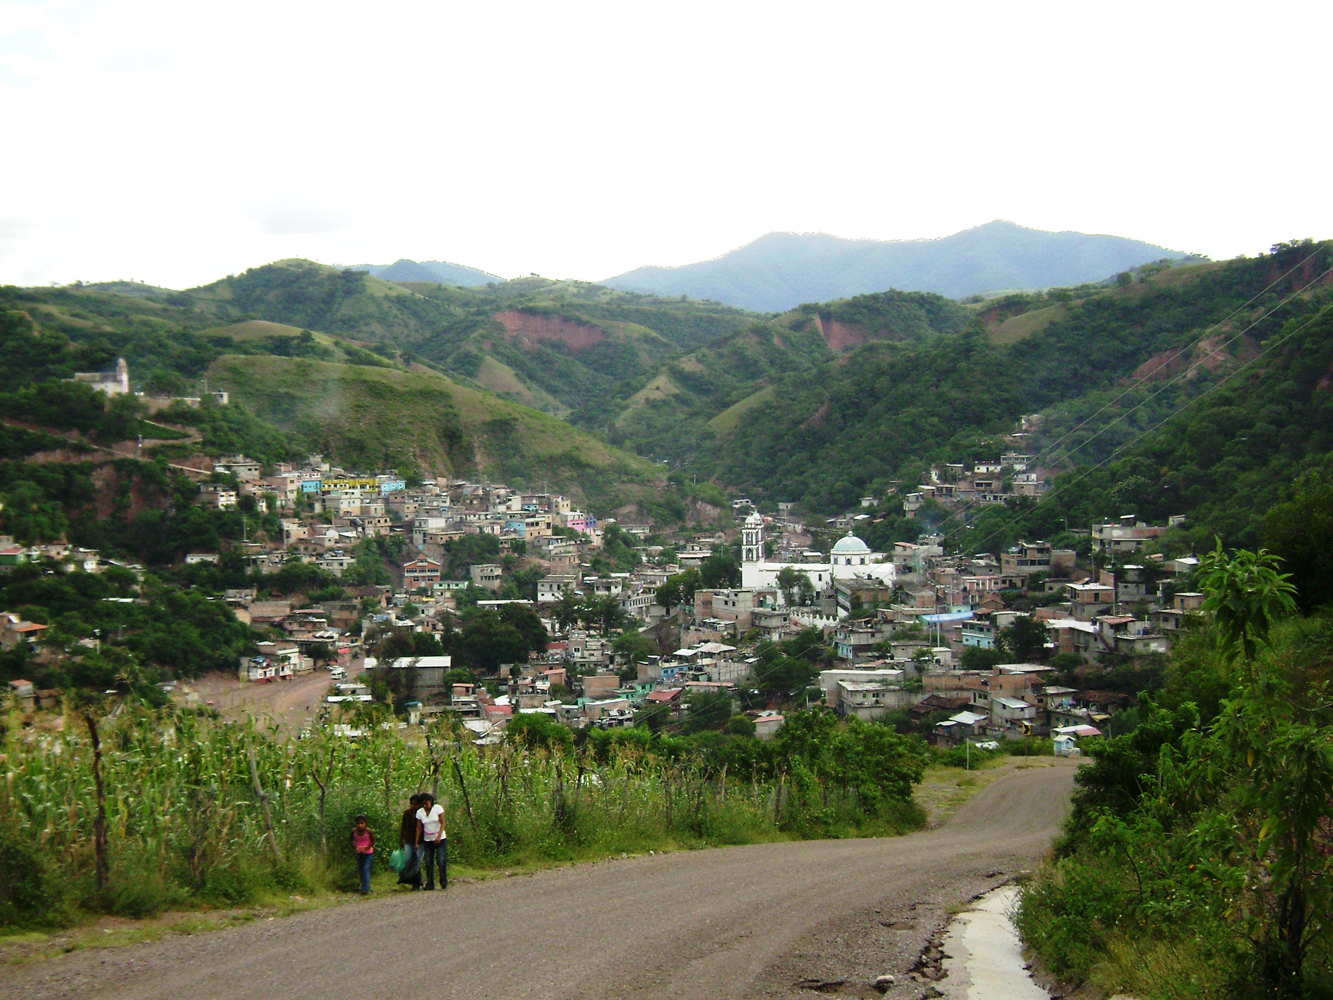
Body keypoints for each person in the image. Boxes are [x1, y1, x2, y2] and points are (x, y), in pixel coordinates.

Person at [415, 792, 447, 891]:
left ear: (431, 802)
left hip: (440, 839)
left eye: (426, 803)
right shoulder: (420, 812)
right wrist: (416, 842)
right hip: (428, 840)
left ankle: (443, 880)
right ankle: (430, 883)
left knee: (440, 860)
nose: (425, 806)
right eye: (423, 804)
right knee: (428, 862)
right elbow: (419, 828)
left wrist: (438, 836)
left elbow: (442, 823)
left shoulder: (438, 808)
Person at [397, 793, 423, 890]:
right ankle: (415, 880)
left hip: (420, 841)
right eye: (411, 804)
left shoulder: (422, 814)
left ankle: (416, 883)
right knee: (409, 860)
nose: (413, 806)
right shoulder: (407, 813)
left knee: (417, 861)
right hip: (408, 840)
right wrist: (401, 839)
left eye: (415, 804)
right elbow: (403, 827)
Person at [350, 814, 375, 895]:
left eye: (362, 823)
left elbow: (373, 841)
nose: (360, 825)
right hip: (359, 854)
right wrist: (356, 846)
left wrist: (366, 848)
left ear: (365, 823)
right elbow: (351, 840)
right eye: (358, 823)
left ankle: (365, 889)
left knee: (366, 869)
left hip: (368, 853)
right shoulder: (354, 831)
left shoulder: (368, 831)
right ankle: (365, 886)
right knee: (361, 871)